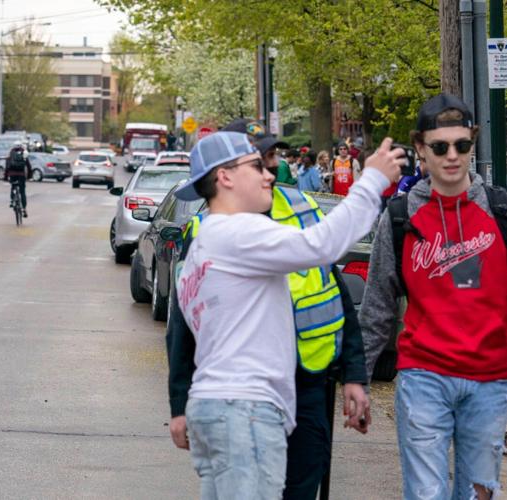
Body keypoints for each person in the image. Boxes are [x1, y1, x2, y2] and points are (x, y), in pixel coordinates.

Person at [167, 130, 401, 498]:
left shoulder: (205, 244)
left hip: (217, 410)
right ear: (224, 177)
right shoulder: (238, 232)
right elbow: (322, 244)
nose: (270, 175)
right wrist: (371, 179)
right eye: (256, 166)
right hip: (245, 412)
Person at [360, 93, 507, 500]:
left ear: (473, 142)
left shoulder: (500, 210)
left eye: (462, 145)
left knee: (478, 494)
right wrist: (359, 379)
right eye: (440, 147)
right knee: (427, 494)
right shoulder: (401, 216)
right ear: (421, 148)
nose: (452, 156)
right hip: (424, 376)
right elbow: (378, 305)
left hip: (490, 380)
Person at [4, 145, 30, 218]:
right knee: (22, 191)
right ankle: (24, 209)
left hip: (12, 175)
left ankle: (12, 201)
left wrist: (6, 177)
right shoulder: (24, 154)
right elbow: (28, 166)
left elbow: (7, 167)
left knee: (13, 187)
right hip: (21, 175)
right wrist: (29, 176)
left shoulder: (10, 155)